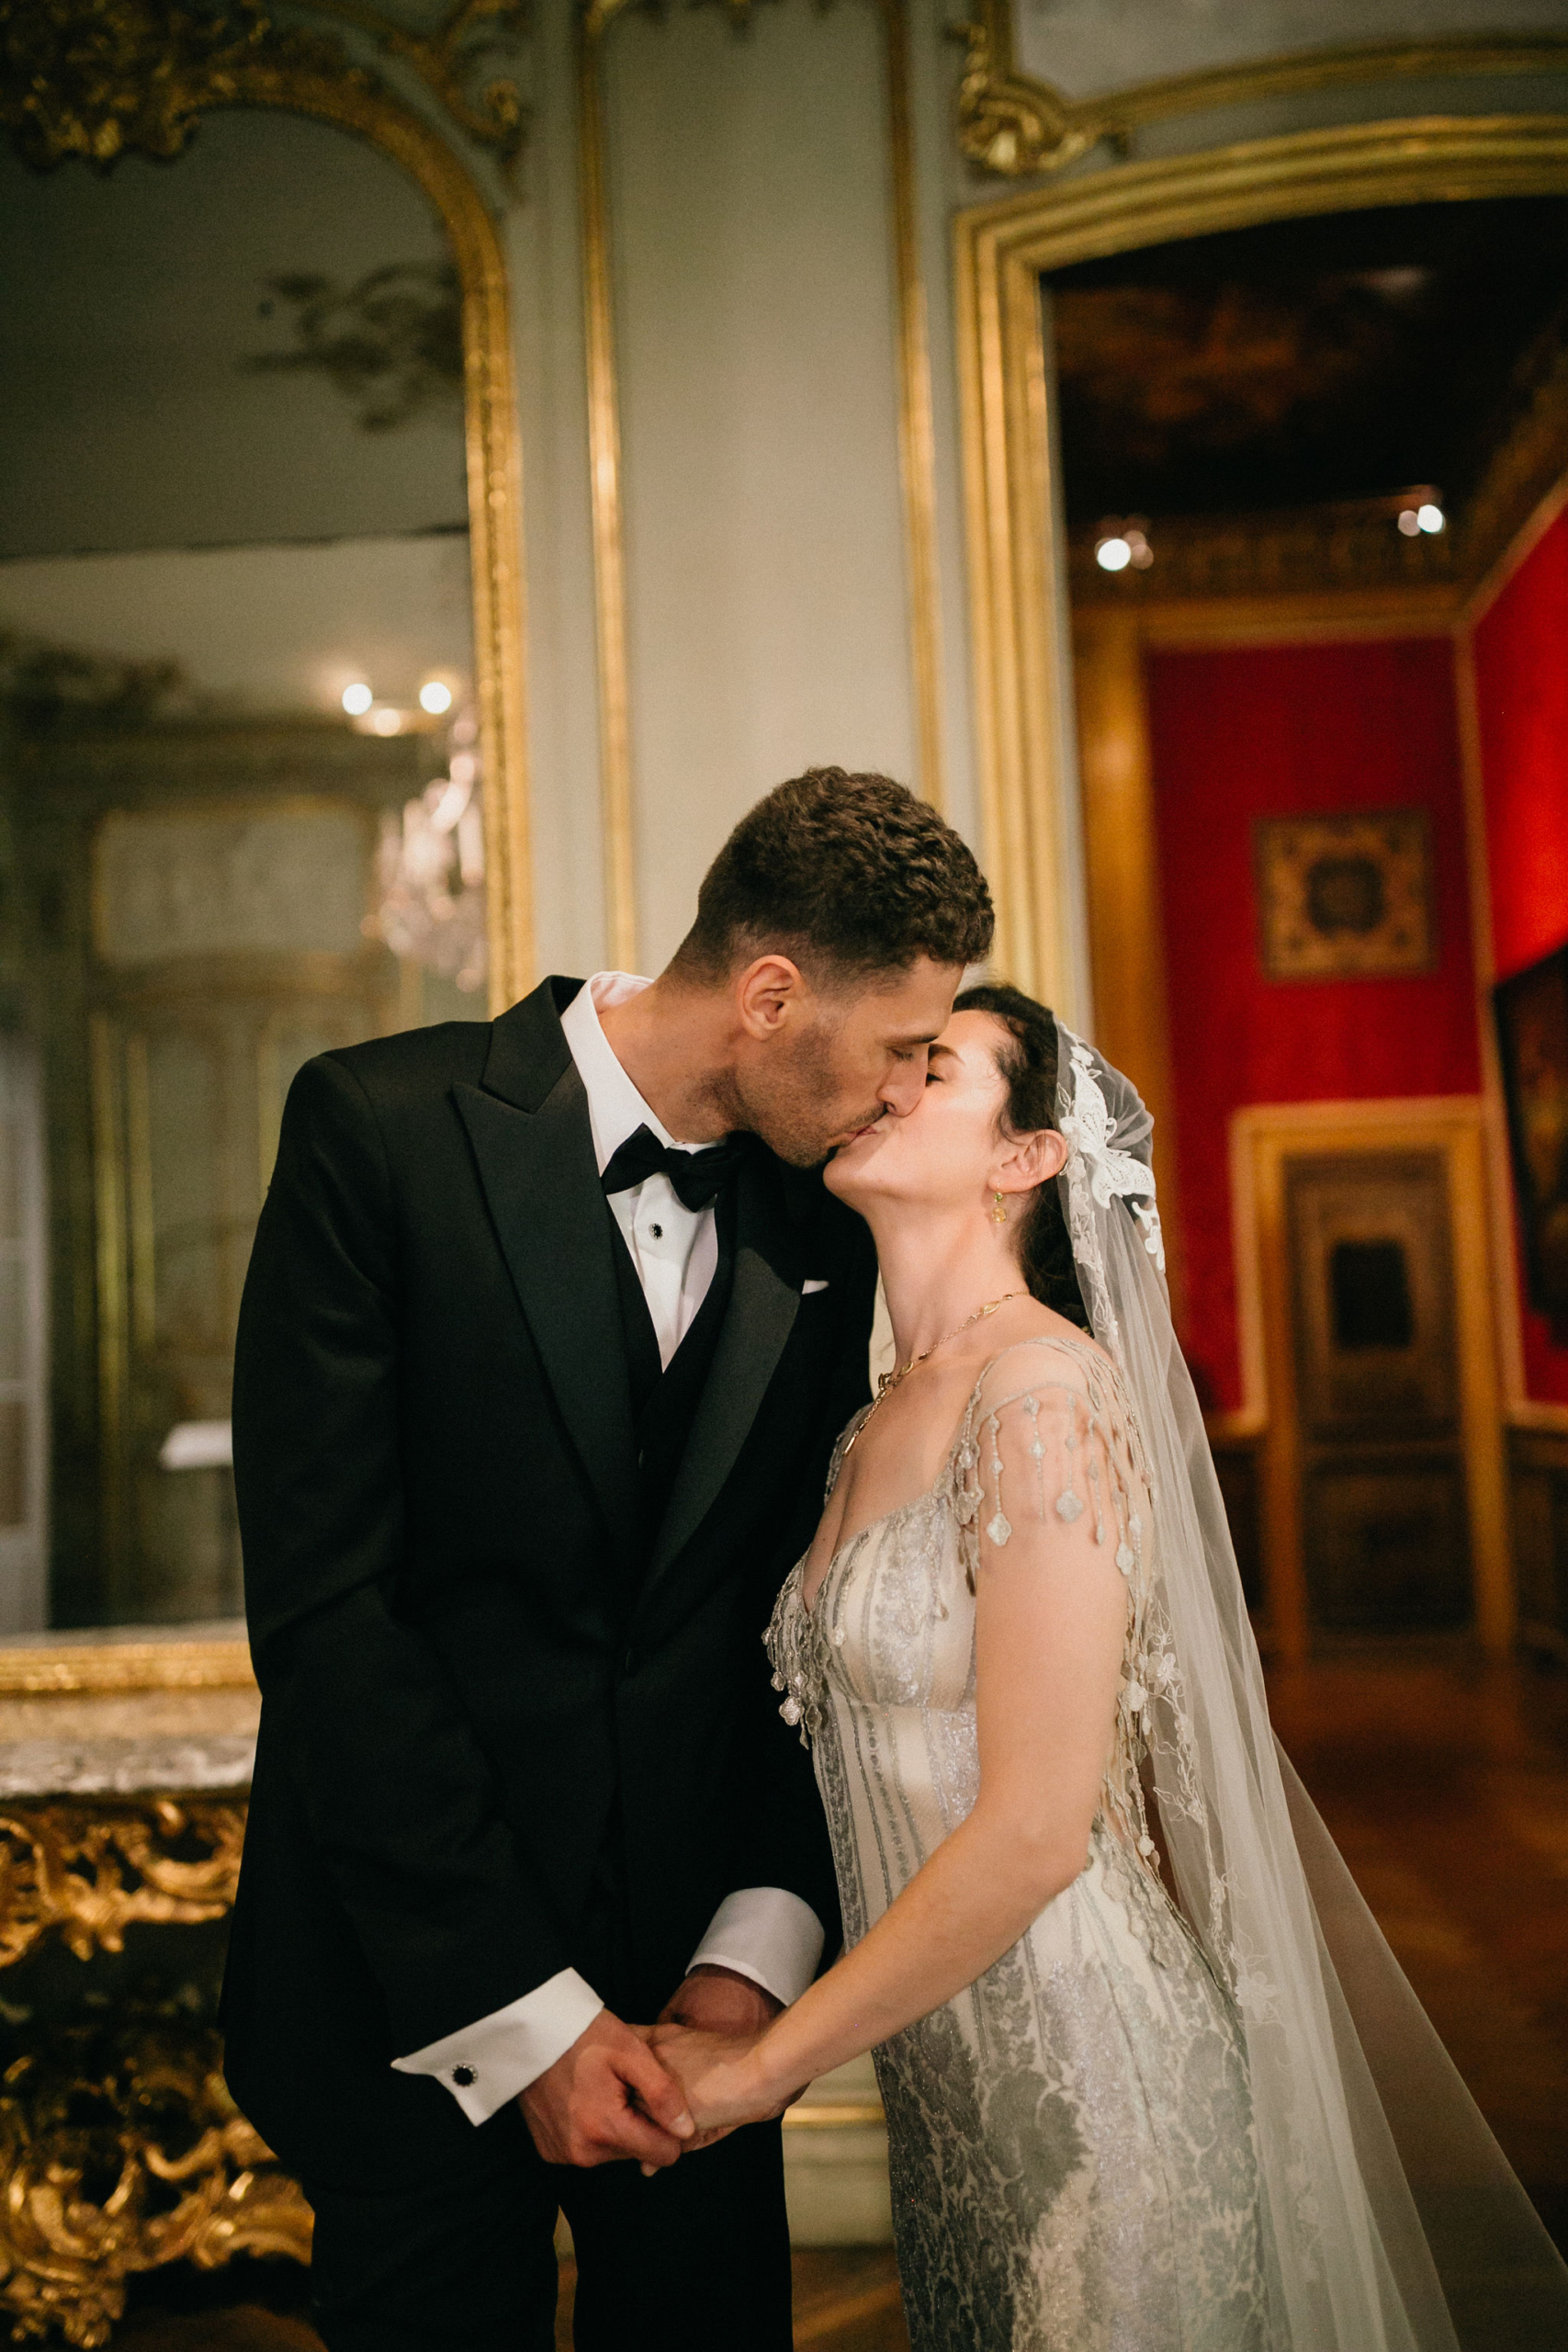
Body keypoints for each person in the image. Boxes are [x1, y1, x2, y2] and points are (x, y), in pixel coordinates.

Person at [653, 984, 1568, 2352]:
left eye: (935, 1066)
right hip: (952, 2098)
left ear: (1026, 1158)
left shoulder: (1046, 1395)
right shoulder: (867, 1425)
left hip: (1096, 2092)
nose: (885, 1082)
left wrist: (759, 2071)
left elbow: (1034, 1832)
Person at [220, 769, 994, 2351]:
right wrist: (534, 2020)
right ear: (771, 995)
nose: (909, 1089)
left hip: (698, 2024)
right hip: (415, 1991)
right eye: (901, 1045)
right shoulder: (378, 1132)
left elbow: (802, 1628)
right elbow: (329, 1624)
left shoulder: (829, 1224)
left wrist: (748, 1967)